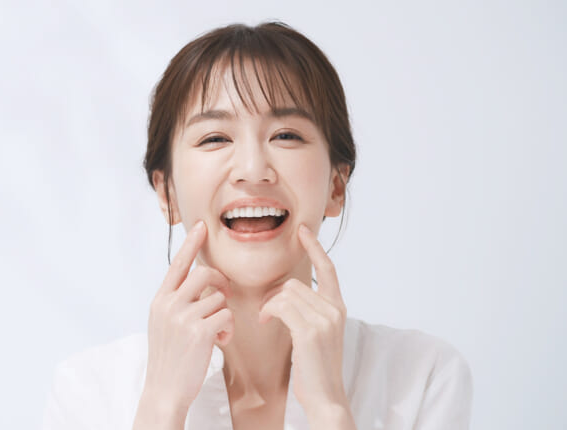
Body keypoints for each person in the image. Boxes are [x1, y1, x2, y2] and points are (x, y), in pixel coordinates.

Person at [40, 21, 473, 430]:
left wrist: (329, 408)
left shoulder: (422, 377)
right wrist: (162, 405)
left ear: (336, 186)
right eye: (215, 138)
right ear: (167, 192)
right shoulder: (87, 390)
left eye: (286, 136)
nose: (252, 169)